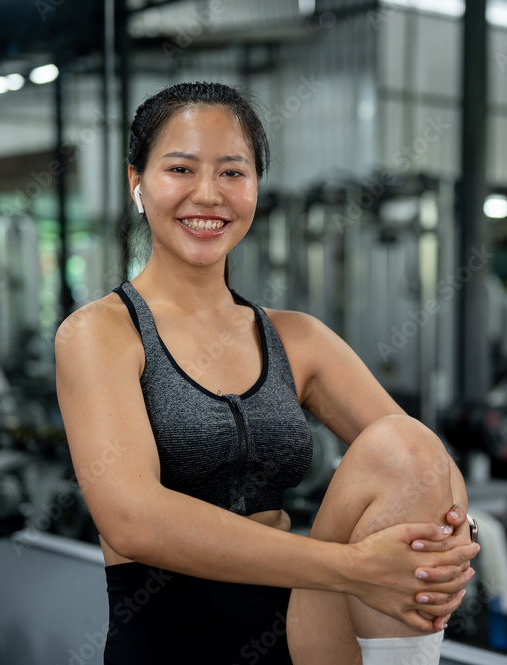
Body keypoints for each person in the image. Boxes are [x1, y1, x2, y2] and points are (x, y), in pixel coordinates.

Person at [54, 81, 480, 665]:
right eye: (180, 169)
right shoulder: (99, 333)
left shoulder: (297, 338)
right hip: (171, 638)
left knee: (408, 445)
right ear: (138, 183)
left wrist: (456, 540)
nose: (208, 195)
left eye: (233, 173)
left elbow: (426, 466)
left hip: (298, 627)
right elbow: (133, 520)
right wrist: (355, 569)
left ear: (256, 186)